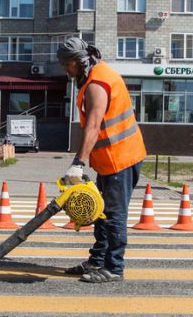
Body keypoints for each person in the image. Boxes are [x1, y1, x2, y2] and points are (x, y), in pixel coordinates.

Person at [59, 37, 148, 283]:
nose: (66, 70)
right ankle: (97, 261)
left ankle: (114, 268)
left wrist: (78, 163)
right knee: (102, 213)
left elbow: (93, 126)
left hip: (121, 158)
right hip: (110, 159)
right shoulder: (92, 76)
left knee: (113, 216)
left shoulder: (97, 83)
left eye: (67, 64)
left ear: (79, 60)